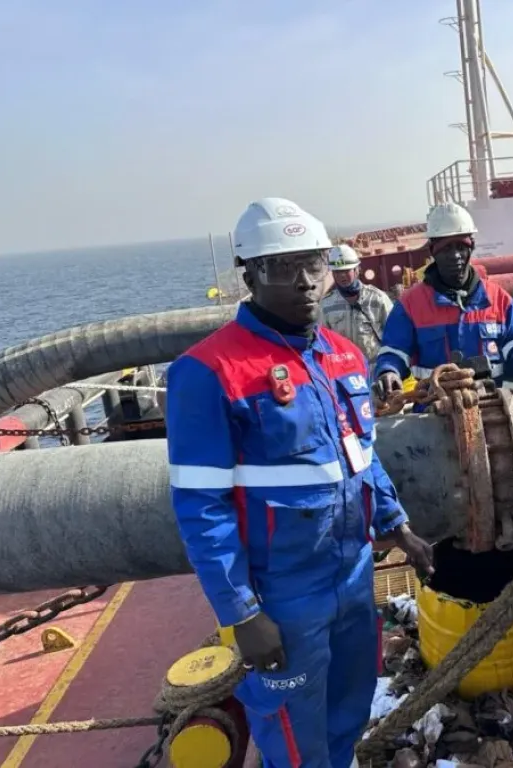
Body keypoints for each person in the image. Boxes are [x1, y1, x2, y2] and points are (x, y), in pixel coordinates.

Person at [165, 197, 434, 768]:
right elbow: (202, 506)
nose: (305, 282)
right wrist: (242, 613)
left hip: (353, 574)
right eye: (282, 267)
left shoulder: (343, 357)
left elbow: (360, 456)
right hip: (282, 592)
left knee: (350, 708)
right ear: (250, 276)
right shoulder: (209, 372)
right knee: (292, 731)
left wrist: (397, 525)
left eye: (313, 264)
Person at [374, 202, 513, 396]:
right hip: (433, 408)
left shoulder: (499, 300)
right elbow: (393, 351)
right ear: (432, 251)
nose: (455, 255)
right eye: (446, 249)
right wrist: (388, 371)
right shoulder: (410, 305)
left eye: (461, 247)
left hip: (492, 404)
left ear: (472, 246)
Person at [320, 242, 394, 364]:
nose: (342, 276)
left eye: (346, 270)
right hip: (345, 370)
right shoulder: (326, 305)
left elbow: (394, 336)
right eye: (337, 272)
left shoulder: (377, 299)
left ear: (357, 270)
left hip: (375, 368)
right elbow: (323, 342)